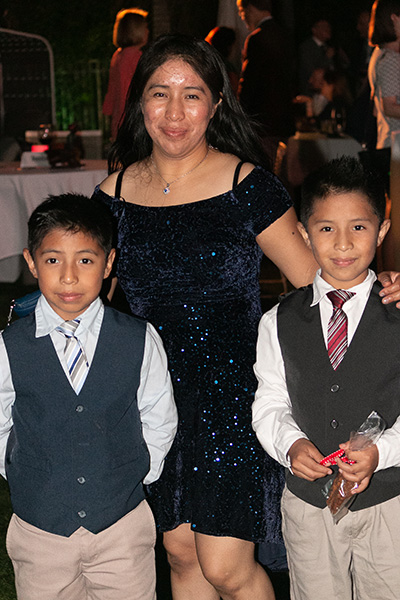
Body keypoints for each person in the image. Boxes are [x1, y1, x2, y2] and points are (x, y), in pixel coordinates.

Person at [92, 33, 400, 600]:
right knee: (180, 554)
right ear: (140, 101)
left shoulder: (246, 185)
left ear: (216, 102)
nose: (176, 112)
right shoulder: (110, 195)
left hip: (231, 400)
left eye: (193, 94)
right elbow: (88, 294)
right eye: (160, 93)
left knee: (226, 567)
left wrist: (381, 287)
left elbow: (322, 279)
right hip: (149, 397)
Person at [0, 193, 178, 600]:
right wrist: (22, 474)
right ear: (30, 262)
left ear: (109, 262)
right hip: (40, 530)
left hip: (122, 525)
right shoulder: (10, 346)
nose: (68, 277)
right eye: (52, 260)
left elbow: (158, 415)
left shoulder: (138, 338)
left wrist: (139, 474)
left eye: (84, 260)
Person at [253, 156, 400, 600]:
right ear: (303, 234)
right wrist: (290, 444)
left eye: (358, 227)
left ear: (383, 230)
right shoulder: (277, 320)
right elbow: (270, 403)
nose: (342, 243)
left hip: (389, 501)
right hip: (308, 504)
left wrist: (382, 452)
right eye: (325, 228)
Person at [236, 0, 295, 164]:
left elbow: (249, 83)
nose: (242, 17)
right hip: (284, 120)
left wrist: (239, 116)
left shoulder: (256, 39)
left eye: (242, 11)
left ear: (251, 8)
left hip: (262, 123)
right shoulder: (286, 35)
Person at [103, 8, 149, 141]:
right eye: (145, 28)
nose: (147, 32)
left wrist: (109, 111)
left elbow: (112, 90)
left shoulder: (119, 55)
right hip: (131, 120)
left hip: (121, 119)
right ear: (136, 31)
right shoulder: (133, 57)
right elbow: (126, 89)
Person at [368, 0, 400, 150]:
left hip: (388, 143)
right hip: (396, 146)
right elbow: (389, 107)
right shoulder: (391, 59)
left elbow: (376, 110)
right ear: (394, 18)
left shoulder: (378, 54)